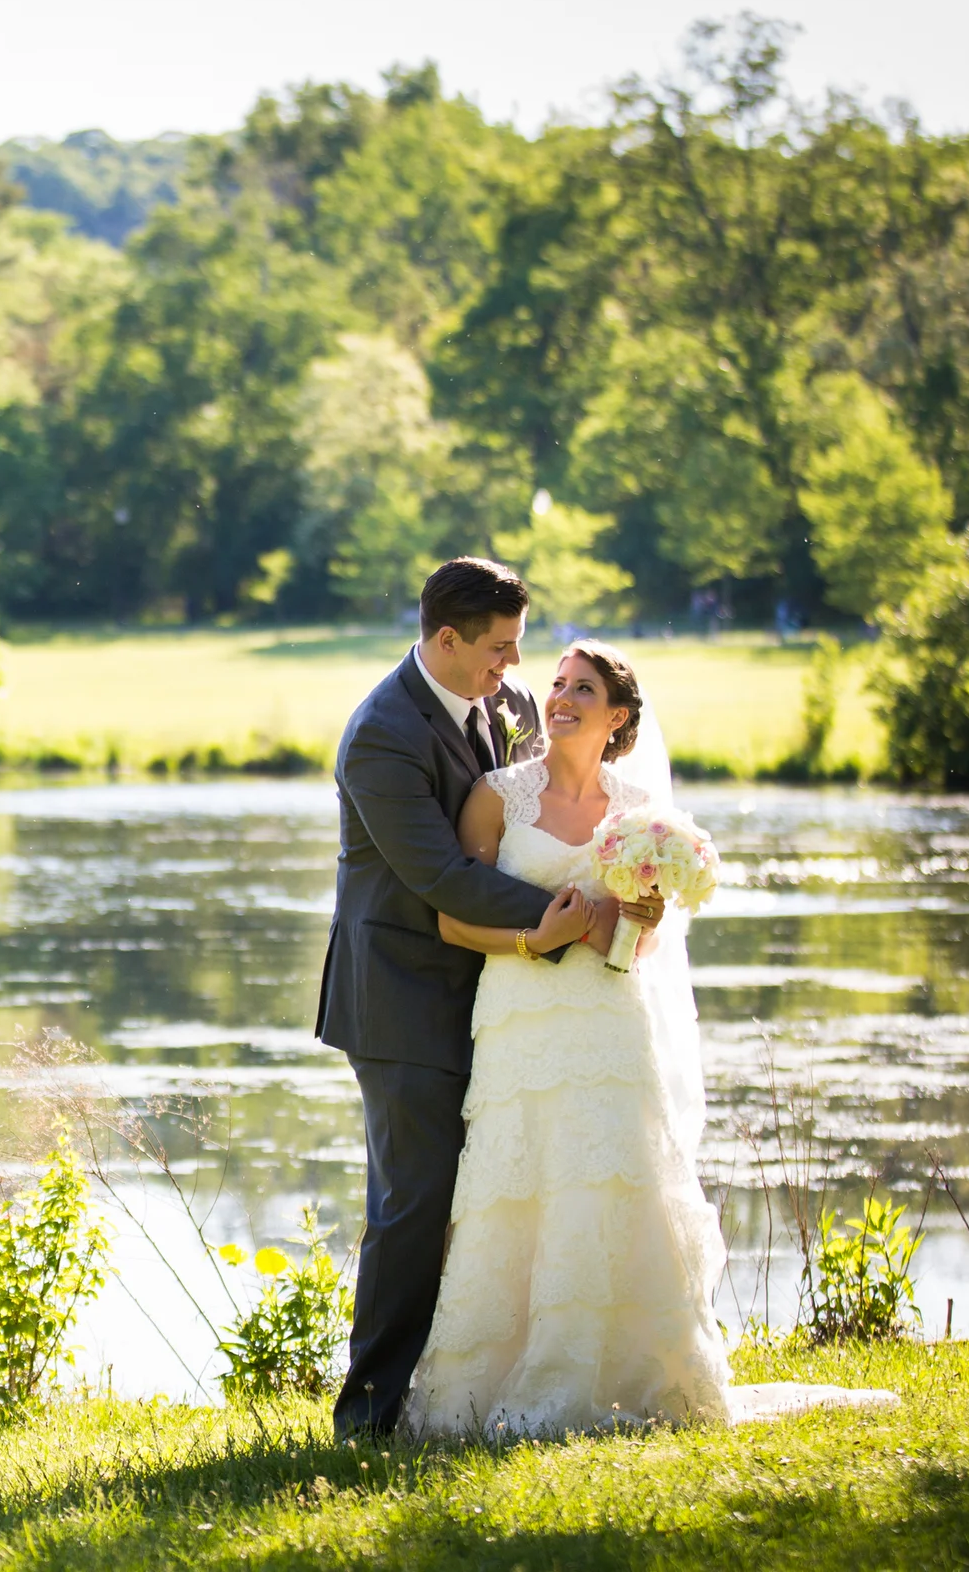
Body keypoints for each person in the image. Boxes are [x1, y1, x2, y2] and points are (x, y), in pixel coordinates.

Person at [316, 558, 655, 1437]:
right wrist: (578, 916)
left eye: (517, 646)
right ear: (446, 639)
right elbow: (442, 875)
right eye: (500, 648)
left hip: (499, 995)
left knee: (494, 1194)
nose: (516, 667)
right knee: (414, 1202)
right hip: (400, 996)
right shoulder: (382, 735)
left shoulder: (508, 704)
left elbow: (530, 812)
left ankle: (475, 1387)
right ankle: (369, 1416)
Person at [403, 639, 729, 1434]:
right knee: (519, 1181)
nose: (560, 698)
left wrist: (642, 920)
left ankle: (626, 1374)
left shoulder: (640, 811)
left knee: (610, 1178)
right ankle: (490, 1381)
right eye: (557, 683)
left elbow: (639, 944)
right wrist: (534, 939)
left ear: (617, 716)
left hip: (611, 1020)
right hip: (521, 1014)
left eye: (583, 688)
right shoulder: (498, 797)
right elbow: (452, 919)